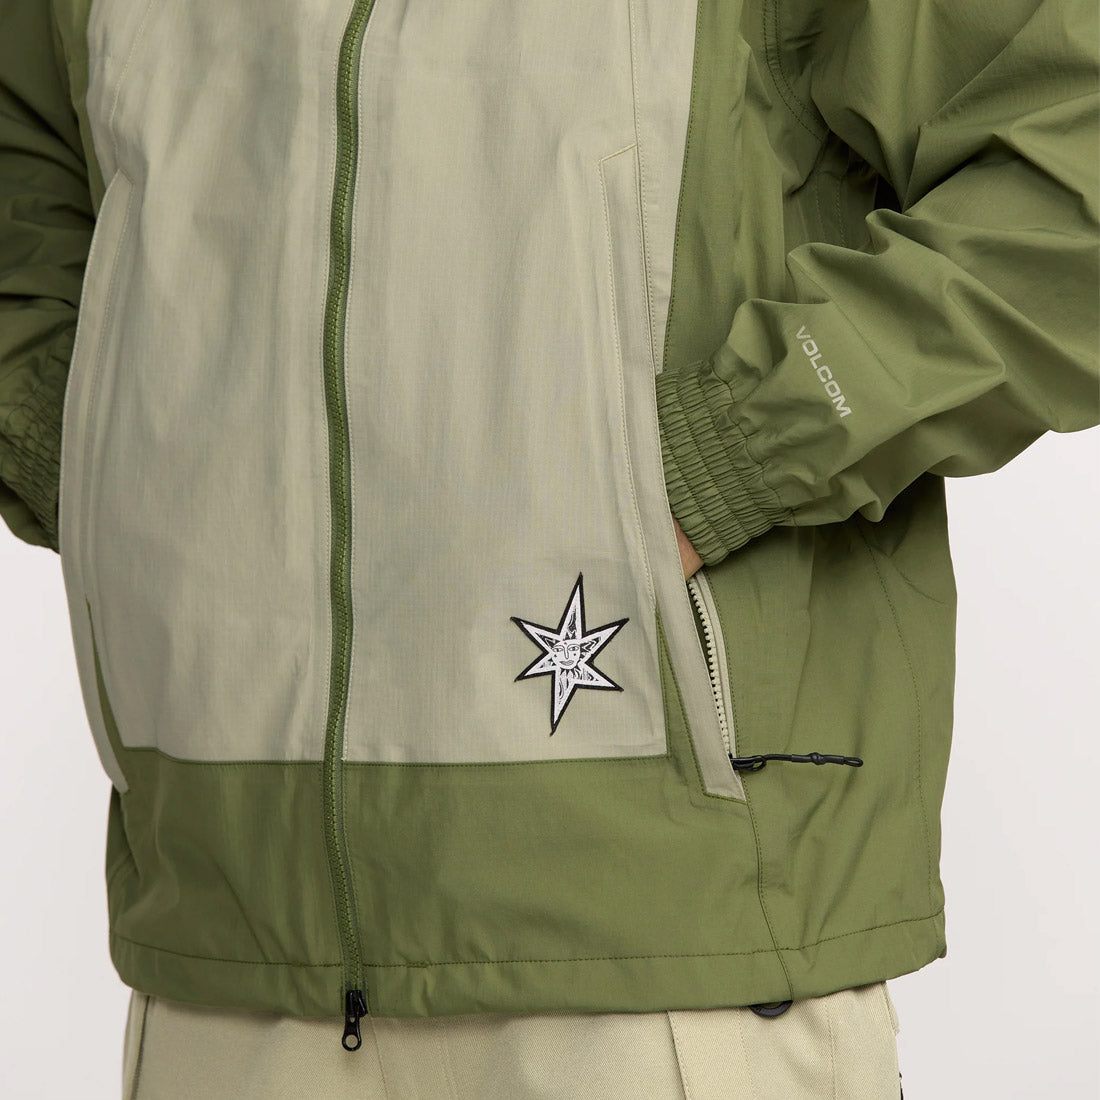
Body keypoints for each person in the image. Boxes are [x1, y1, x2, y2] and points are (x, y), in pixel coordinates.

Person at [1, 0, 1096, 1096]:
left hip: (664, 958)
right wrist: (94, 464)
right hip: (222, 951)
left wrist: (739, 446)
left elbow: (1071, 168)